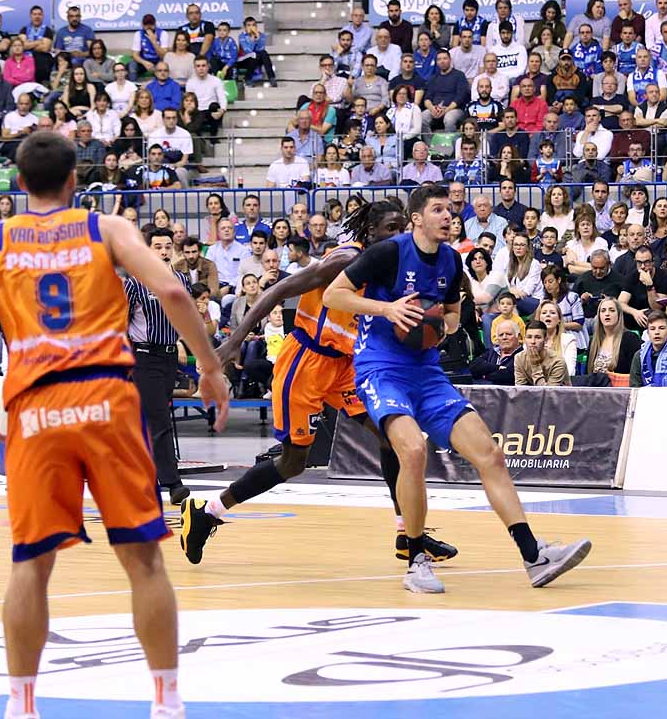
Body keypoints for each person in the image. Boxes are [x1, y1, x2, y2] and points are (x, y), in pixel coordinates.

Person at [0, 131, 229, 719]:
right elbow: (174, 290)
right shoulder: (105, 230)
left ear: (19, 186)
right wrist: (209, 367)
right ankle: (166, 701)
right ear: (76, 179)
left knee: (30, 562)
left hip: (35, 408)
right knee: (143, 557)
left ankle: (22, 706)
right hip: (106, 400)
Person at [321, 184, 592, 593]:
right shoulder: (388, 253)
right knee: (412, 450)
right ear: (417, 219)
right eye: (437, 210)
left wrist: (442, 325)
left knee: (490, 455)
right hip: (381, 370)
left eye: (450, 210)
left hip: (426, 372)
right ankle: (415, 560)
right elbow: (332, 294)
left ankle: (533, 555)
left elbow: (450, 313)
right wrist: (387, 308)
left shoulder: (450, 259)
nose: (448, 216)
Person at [182, 199, 459, 564]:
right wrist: (233, 342)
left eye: (400, 228)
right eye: (390, 228)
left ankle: (407, 535)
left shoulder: (394, 265)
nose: (398, 235)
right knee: (294, 462)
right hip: (307, 360)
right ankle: (208, 512)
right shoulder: (344, 260)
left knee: (394, 437)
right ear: (370, 231)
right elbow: (279, 291)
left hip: (346, 363)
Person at [125, 228, 194, 505]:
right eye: (158, 246)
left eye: (168, 246)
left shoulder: (181, 281)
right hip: (143, 357)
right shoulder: (135, 283)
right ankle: (173, 483)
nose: (164, 251)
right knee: (160, 420)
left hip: (168, 358)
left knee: (150, 420)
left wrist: (183, 345)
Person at [514, 319, 569, 386]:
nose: (533, 341)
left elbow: (548, 394)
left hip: (561, 395)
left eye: (538, 337)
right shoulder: (519, 358)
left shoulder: (557, 361)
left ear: (545, 340)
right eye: (529, 337)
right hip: (531, 396)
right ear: (524, 339)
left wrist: (536, 366)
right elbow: (520, 389)